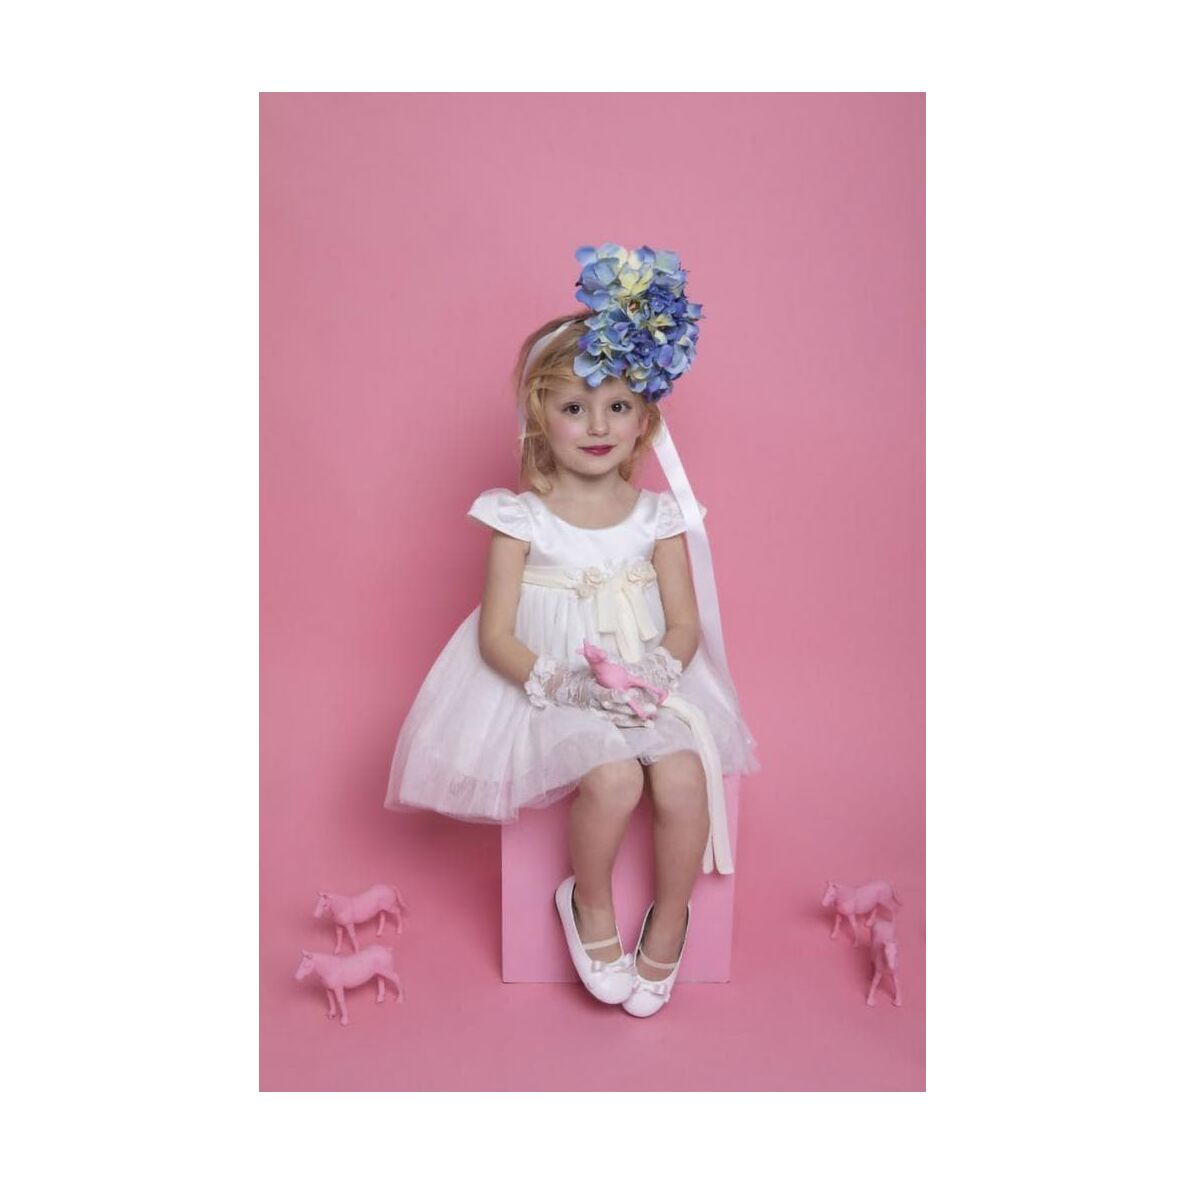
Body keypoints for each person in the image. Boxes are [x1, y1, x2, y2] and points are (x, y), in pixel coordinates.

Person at [385, 244, 759, 1017]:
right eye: (574, 406)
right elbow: (495, 635)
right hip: (554, 686)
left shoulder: (658, 517)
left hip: (644, 683)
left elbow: (683, 622)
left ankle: (670, 918)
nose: (596, 425)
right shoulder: (519, 517)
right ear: (539, 415)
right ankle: (586, 900)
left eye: (617, 407)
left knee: (683, 775)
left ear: (644, 419)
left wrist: (657, 673)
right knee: (614, 777)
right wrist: (569, 683)